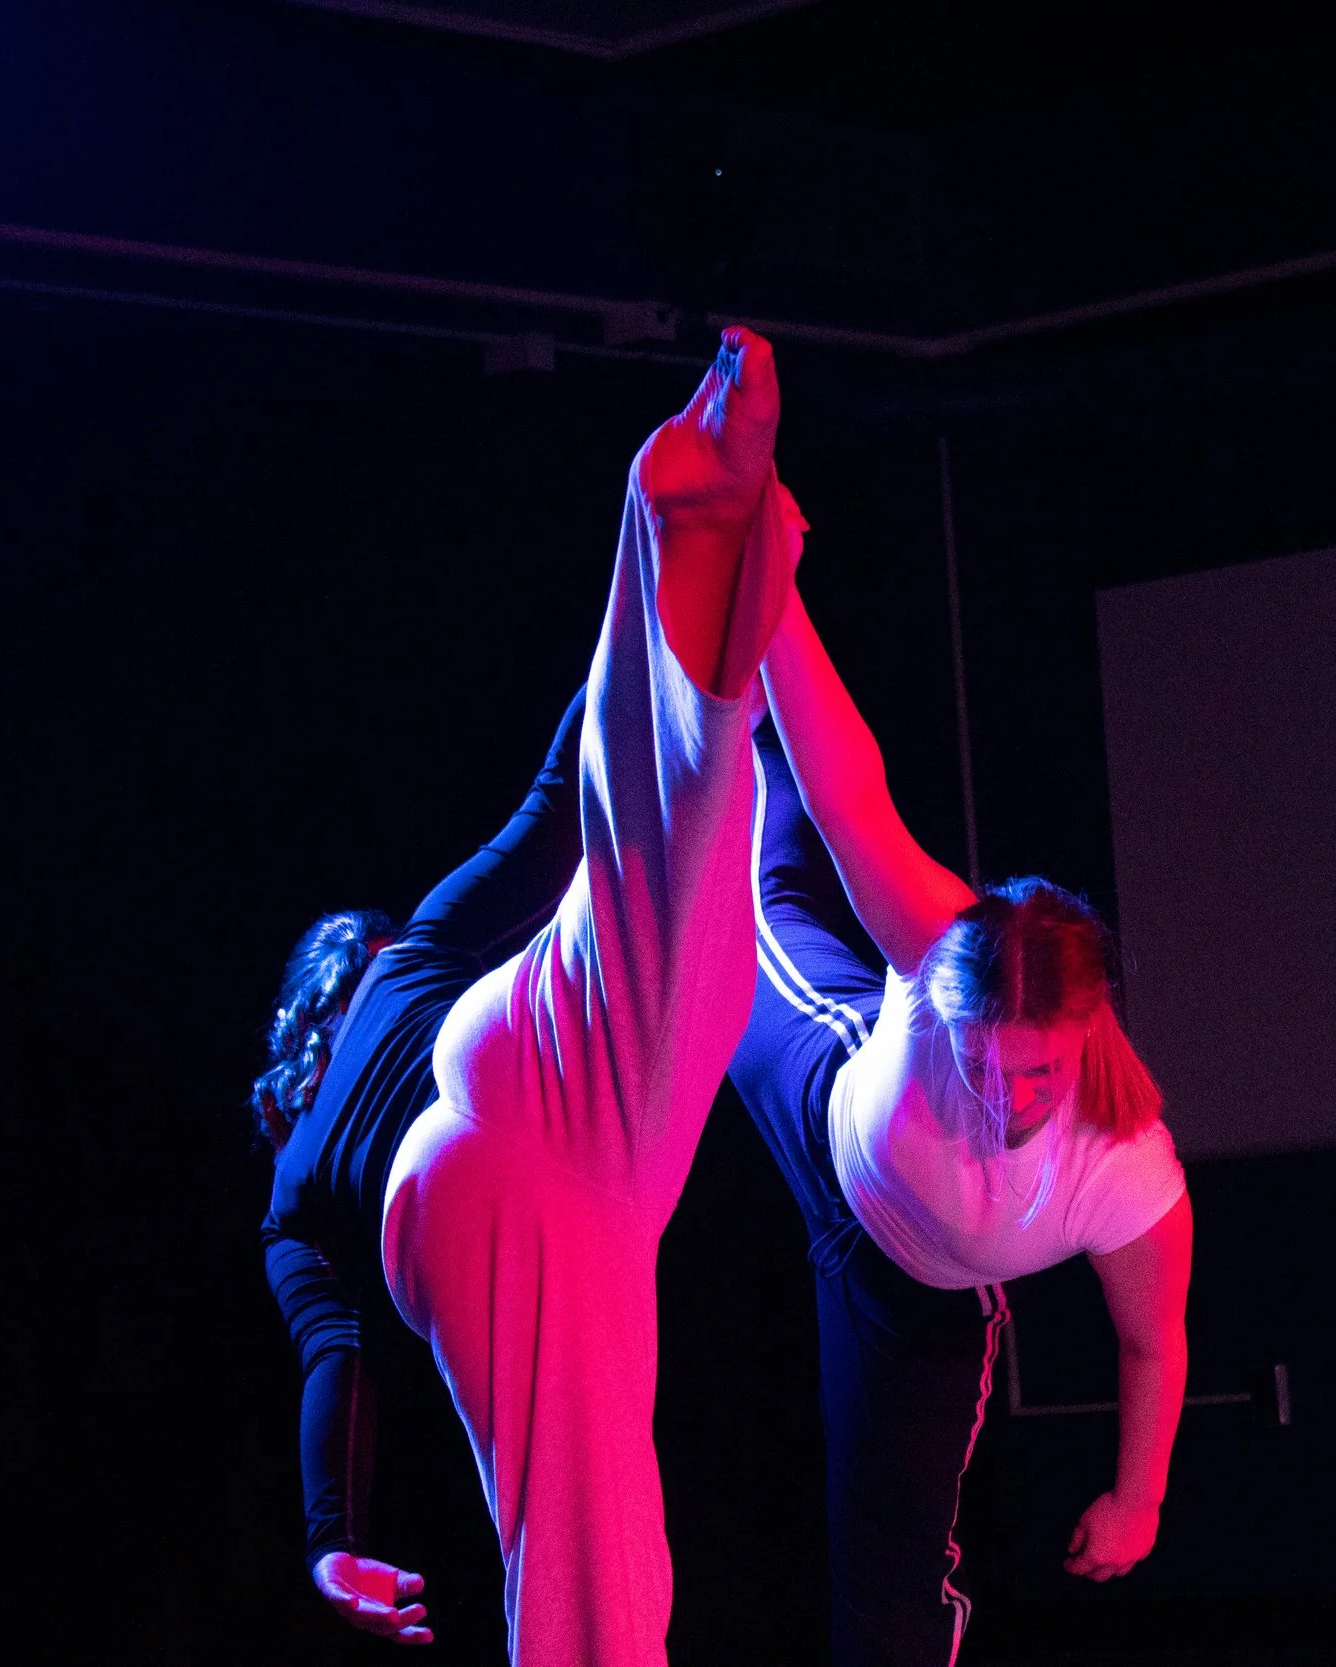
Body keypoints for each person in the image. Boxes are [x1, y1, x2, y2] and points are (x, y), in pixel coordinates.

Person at [380, 327, 802, 1666]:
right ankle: (691, 540)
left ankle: (692, 540)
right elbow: (573, 807)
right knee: (597, 1566)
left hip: (520, 1148)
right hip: (537, 1130)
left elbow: (582, 806)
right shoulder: (413, 968)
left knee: (596, 1558)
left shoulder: (342, 1121)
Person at [728, 592, 1194, 1667]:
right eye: (981, 1062)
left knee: (887, 1577)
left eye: (1035, 1073)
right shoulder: (940, 941)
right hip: (826, 1117)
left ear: (1086, 1029)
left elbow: (1152, 1340)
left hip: (918, 1300)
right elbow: (848, 796)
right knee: (752, 914)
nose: (1003, 1097)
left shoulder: (1126, 1169)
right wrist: (778, 595)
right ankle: (738, 707)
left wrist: (1138, 1498)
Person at [257, 685, 587, 1650]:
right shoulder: (404, 960)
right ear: (364, 958)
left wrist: (332, 1540)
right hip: (523, 1123)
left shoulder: (288, 1196)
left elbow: (337, 1355)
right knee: (589, 915)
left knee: (554, 1511)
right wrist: (631, 640)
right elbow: (550, 813)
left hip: (452, 1241)